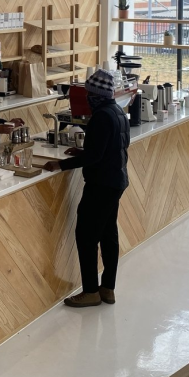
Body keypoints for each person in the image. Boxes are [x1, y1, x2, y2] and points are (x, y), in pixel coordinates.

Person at [45, 68, 130, 308]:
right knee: (108, 236)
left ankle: (91, 291)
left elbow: (94, 157)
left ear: (96, 95)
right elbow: (110, 148)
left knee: (86, 237)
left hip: (101, 184)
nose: (87, 98)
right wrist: (83, 151)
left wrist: (60, 164)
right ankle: (108, 288)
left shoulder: (101, 116)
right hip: (116, 180)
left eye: (89, 94)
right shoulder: (118, 111)